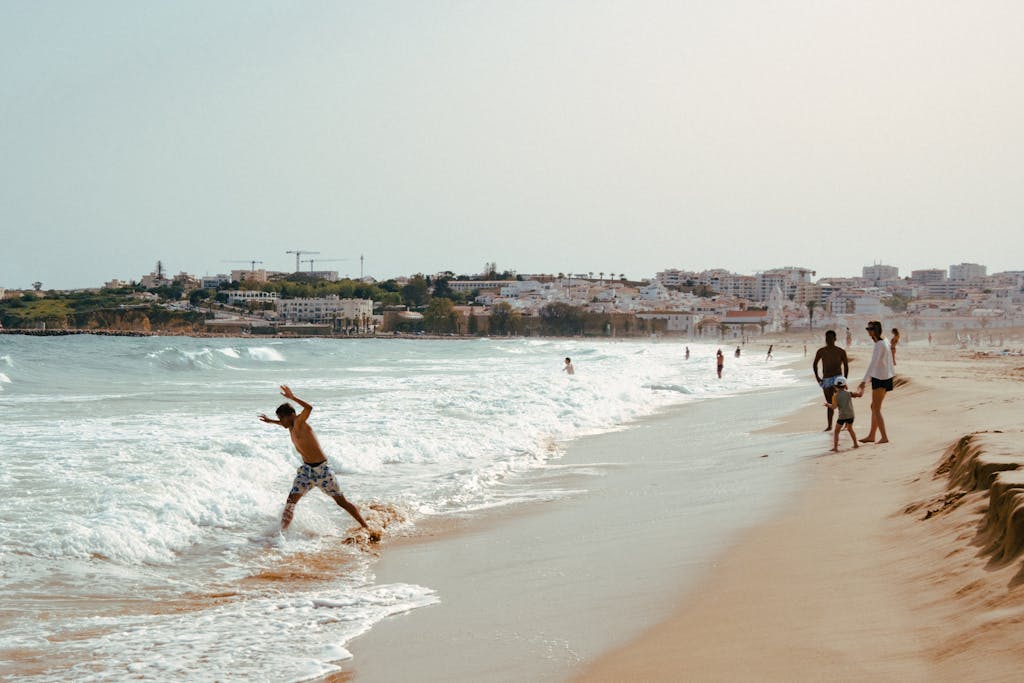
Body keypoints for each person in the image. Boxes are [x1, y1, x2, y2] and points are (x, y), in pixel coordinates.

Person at [259, 385, 378, 539]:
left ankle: (366, 526)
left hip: (322, 470)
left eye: (282, 418)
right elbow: (282, 424)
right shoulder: (289, 426)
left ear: (291, 415)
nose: (281, 422)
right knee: (290, 502)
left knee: (341, 502)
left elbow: (309, 408)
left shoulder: (300, 423)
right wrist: (270, 421)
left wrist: (292, 397)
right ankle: (281, 534)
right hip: (306, 472)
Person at [857, 321, 895, 444]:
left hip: (880, 378)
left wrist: (864, 381)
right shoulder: (885, 340)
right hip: (887, 377)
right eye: (867, 328)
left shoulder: (880, 344)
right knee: (874, 406)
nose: (868, 331)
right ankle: (872, 435)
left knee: (876, 409)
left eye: (869, 329)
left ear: (875, 330)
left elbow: (873, 363)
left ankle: (884, 437)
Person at [812, 330, 850, 431]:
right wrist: (817, 377)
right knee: (829, 403)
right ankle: (829, 426)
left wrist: (844, 380)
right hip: (826, 379)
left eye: (830, 338)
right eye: (827, 338)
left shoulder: (840, 351)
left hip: (838, 378)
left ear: (835, 339)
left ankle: (846, 423)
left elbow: (846, 366)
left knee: (841, 402)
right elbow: (814, 363)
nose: (828, 340)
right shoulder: (821, 351)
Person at [826, 377, 860, 452]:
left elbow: (834, 407)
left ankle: (835, 447)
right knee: (850, 429)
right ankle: (855, 444)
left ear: (835, 386)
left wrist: (828, 404)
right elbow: (857, 394)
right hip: (851, 415)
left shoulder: (835, 396)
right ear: (845, 385)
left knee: (836, 431)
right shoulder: (849, 393)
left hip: (842, 416)